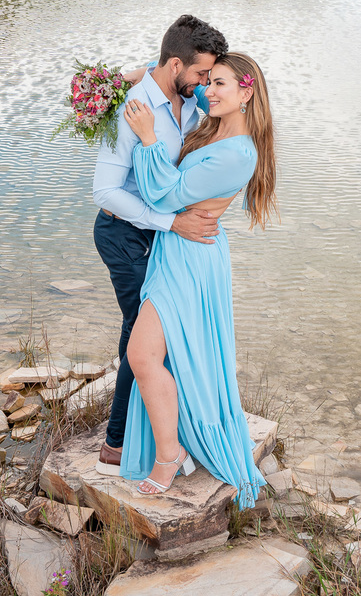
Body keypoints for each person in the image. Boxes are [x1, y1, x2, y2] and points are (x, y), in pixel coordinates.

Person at [118, 53, 276, 506]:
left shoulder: (239, 152)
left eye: (221, 83)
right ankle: (172, 447)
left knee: (142, 354)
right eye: (209, 82)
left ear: (246, 91)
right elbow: (176, 70)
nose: (210, 90)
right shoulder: (211, 126)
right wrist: (139, 76)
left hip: (192, 256)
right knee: (154, 355)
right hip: (177, 249)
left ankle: (170, 456)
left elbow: (165, 195)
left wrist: (147, 137)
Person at [91, 15, 228, 477]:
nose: (206, 83)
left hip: (160, 233)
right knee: (142, 335)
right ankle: (116, 444)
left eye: (210, 76)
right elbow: (106, 192)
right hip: (124, 233)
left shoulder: (185, 95)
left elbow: (231, 88)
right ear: (176, 65)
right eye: (201, 74)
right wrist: (172, 223)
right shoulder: (134, 109)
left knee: (160, 334)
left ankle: (161, 434)